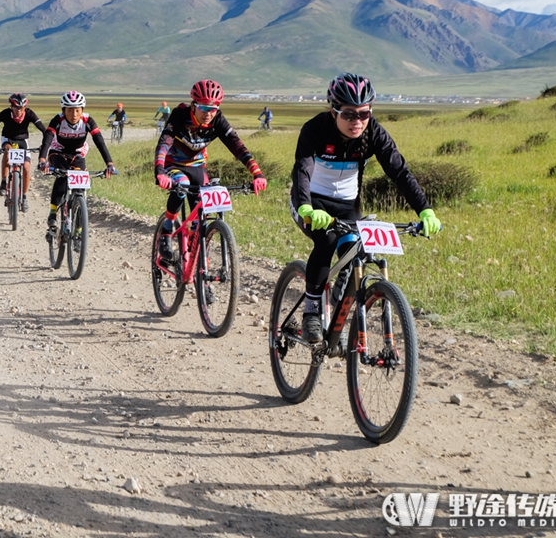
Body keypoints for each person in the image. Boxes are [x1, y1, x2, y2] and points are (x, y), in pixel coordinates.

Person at [290, 72, 442, 342]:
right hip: (312, 203)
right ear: (333, 109)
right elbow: (302, 170)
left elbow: (400, 172)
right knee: (326, 241)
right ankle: (311, 312)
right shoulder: (314, 129)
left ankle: (337, 301)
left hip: (348, 206)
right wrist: (306, 208)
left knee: (356, 251)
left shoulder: (373, 133)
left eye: (364, 113)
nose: (357, 121)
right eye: (348, 114)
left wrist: (425, 210)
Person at [154, 79, 267, 259]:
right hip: (174, 164)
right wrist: (160, 171)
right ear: (193, 105)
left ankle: (198, 265)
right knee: (182, 184)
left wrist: (257, 174)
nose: (208, 113)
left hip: (198, 166)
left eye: (213, 109)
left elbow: (238, 147)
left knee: (201, 216)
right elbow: (164, 142)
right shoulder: (180, 114)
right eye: (204, 108)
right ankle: (167, 228)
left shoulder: (218, 121)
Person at [38, 91, 116, 238]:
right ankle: (53, 213)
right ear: (63, 111)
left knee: (80, 187)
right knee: (62, 174)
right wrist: (42, 160)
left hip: (77, 154)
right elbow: (47, 139)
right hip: (58, 151)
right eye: (69, 110)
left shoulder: (88, 121)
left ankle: (79, 231)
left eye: (77, 110)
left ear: (82, 110)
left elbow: (100, 142)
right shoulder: (58, 120)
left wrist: (109, 163)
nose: (74, 114)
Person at [0, 93, 47, 212]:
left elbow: (44, 130)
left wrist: (44, 144)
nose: (19, 111)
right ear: (11, 106)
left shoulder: (30, 114)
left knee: (27, 168)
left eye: (21, 108)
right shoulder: (5, 113)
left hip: (23, 141)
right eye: (16, 108)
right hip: (8, 139)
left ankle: (24, 197)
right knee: (8, 151)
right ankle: (3, 182)